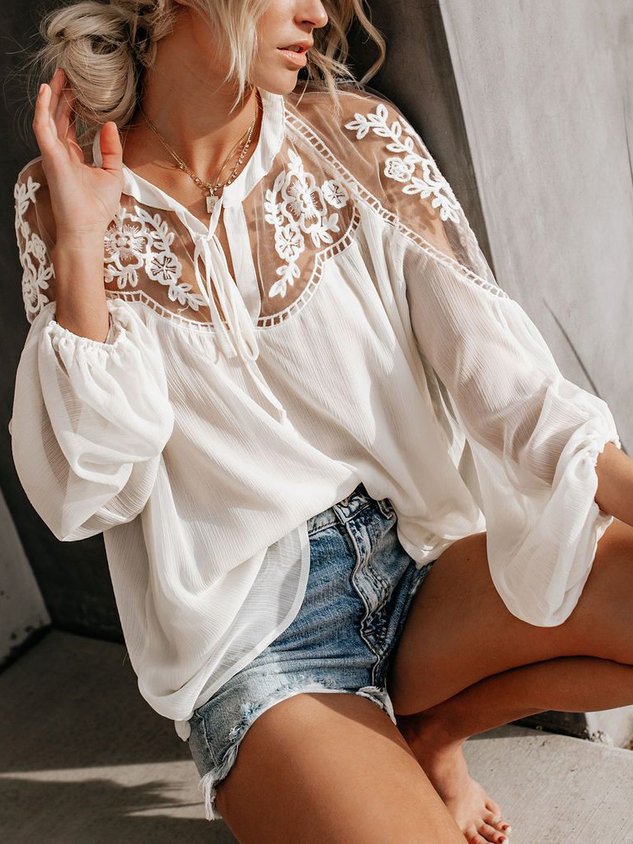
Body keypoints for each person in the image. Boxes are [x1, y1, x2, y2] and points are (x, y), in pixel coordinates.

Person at [10, 0, 633, 841]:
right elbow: (92, 491)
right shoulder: (62, 194)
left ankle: (436, 732)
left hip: (420, 567)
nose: (317, 12)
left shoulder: (354, 139)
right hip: (261, 642)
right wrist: (82, 245)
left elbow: (509, 388)